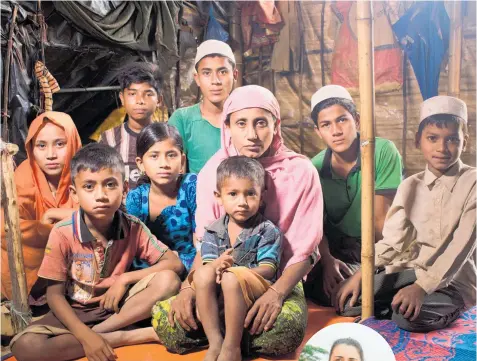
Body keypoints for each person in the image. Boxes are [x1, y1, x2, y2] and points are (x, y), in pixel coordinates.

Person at [152, 85, 324, 356]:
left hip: (277, 280)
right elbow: (205, 243)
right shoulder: (214, 171)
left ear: (275, 125)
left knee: (285, 331)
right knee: (171, 326)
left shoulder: (301, 171)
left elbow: (306, 250)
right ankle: (225, 335)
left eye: (261, 123)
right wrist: (188, 288)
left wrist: (276, 295)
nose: (252, 135)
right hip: (217, 280)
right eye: (241, 123)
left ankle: (227, 335)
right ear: (227, 126)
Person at [11, 143, 184, 361]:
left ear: (124, 189)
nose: (100, 195)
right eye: (89, 187)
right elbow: (54, 296)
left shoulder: (133, 226)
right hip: (74, 311)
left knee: (168, 280)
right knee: (25, 347)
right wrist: (84, 336)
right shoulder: (63, 232)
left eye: (110, 185)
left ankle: (104, 331)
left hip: (119, 307)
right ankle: (123, 337)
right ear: (75, 193)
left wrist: (124, 279)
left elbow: (174, 264)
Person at [334, 96, 475, 332]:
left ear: (465, 141)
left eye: (452, 139)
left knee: (406, 317)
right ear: (417, 140)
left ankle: (428, 307)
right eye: (433, 138)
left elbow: (460, 247)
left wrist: (422, 288)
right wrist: (362, 274)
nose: (442, 148)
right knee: (349, 301)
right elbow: (394, 242)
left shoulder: (472, 182)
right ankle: (395, 303)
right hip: (413, 272)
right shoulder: (410, 185)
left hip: (455, 283)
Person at [304, 85, 403, 306]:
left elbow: (380, 225)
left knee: (354, 295)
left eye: (342, 120)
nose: (336, 131)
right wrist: (328, 261)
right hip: (337, 250)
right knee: (325, 290)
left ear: (357, 120)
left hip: (379, 246)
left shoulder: (382, 152)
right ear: (318, 131)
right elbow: (316, 226)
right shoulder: (315, 167)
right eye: (326, 125)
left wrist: (366, 272)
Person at [191, 156, 282, 361]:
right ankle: (215, 343)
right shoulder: (213, 231)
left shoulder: (266, 230)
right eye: (233, 194)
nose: (242, 202)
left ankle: (232, 348)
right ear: (219, 196)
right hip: (220, 286)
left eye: (250, 194)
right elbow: (207, 265)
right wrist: (216, 265)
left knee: (232, 277)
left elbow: (268, 269)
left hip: (254, 288)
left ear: (261, 196)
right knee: (203, 273)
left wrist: (235, 272)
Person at [1, 111, 82, 305]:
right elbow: (7, 226)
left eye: (60, 144)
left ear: (73, 141)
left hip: (83, 268)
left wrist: (53, 214)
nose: (51, 155)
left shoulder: (87, 170)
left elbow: (103, 219)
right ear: (31, 148)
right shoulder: (24, 175)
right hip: (35, 272)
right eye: (41, 146)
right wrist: (54, 230)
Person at [126, 123, 197, 272]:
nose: (164, 164)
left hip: (192, 264)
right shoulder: (136, 198)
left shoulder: (191, 186)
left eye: (171, 155)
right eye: (154, 156)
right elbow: (132, 248)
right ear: (140, 164)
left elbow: (203, 243)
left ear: (182, 161)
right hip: (150, 268)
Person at [168, 39, 238, 174]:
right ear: (197, 78)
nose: (215, 81)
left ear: (234, 75)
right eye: (207, 73)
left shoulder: (247, 117)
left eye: (222, 72)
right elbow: (174, 173)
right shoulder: (183, 119)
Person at [99, 62, 163, 189]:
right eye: (132, 94)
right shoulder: (109, 139)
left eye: (148, 94)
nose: (140, 101)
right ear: (122, 98)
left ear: (159, 100)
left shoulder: (166, 137)